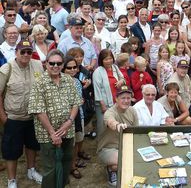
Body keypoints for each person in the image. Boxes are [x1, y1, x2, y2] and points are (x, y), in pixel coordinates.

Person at [28, 50, 81, 188]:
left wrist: (69, 122)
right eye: (52, 63)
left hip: (67, 131)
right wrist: (53, 133)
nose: (55, 66)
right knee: (50, 168)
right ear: (46, 64)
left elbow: (75, 103)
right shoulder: (39, 83)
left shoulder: (68, 80)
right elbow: (39, 110)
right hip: (47, 134)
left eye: (58, 63)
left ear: (63, 64)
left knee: (66, 162)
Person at [0, 40, 43, 188]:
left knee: (32, 145)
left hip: (33, 116)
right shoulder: (6, 69)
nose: (26, 55)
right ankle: (11, 179)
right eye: (22, 51)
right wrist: (3, 117)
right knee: (11, 150)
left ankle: (31, 170)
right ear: (16, 52)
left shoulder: (38, 65)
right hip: (13, 117)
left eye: (29, 52)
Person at [97, 85, 138, 187]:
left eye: (128, 98)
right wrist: (118, 125)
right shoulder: (110, 112)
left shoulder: (132, 110)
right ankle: (111, 169)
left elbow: (136, 130)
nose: (126, 101)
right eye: (123, 98)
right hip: (108, 148)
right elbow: (110, 121)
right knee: (124, 160)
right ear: (116, 99)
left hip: (126, 145)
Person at [92, 49, 125, 135]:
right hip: (104, 104)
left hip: (116, 102)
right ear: (101, 60)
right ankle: (102, 146)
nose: (108, 61)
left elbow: (123, 78)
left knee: (115, 124)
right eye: (105, 59)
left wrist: (121, 81)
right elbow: (97, 89)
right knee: (103, 126)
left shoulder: (115, 67)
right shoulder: (98, 72)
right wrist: (102, 105)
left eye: (110, 58)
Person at [167, 60, 191, 125]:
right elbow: (173, 102)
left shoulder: (186, 76)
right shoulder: (173, 82)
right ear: (176, 69)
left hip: (188, 104)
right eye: (181, 68)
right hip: (178, 109)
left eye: (186, 68)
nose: (184, 70)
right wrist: (186, 113)